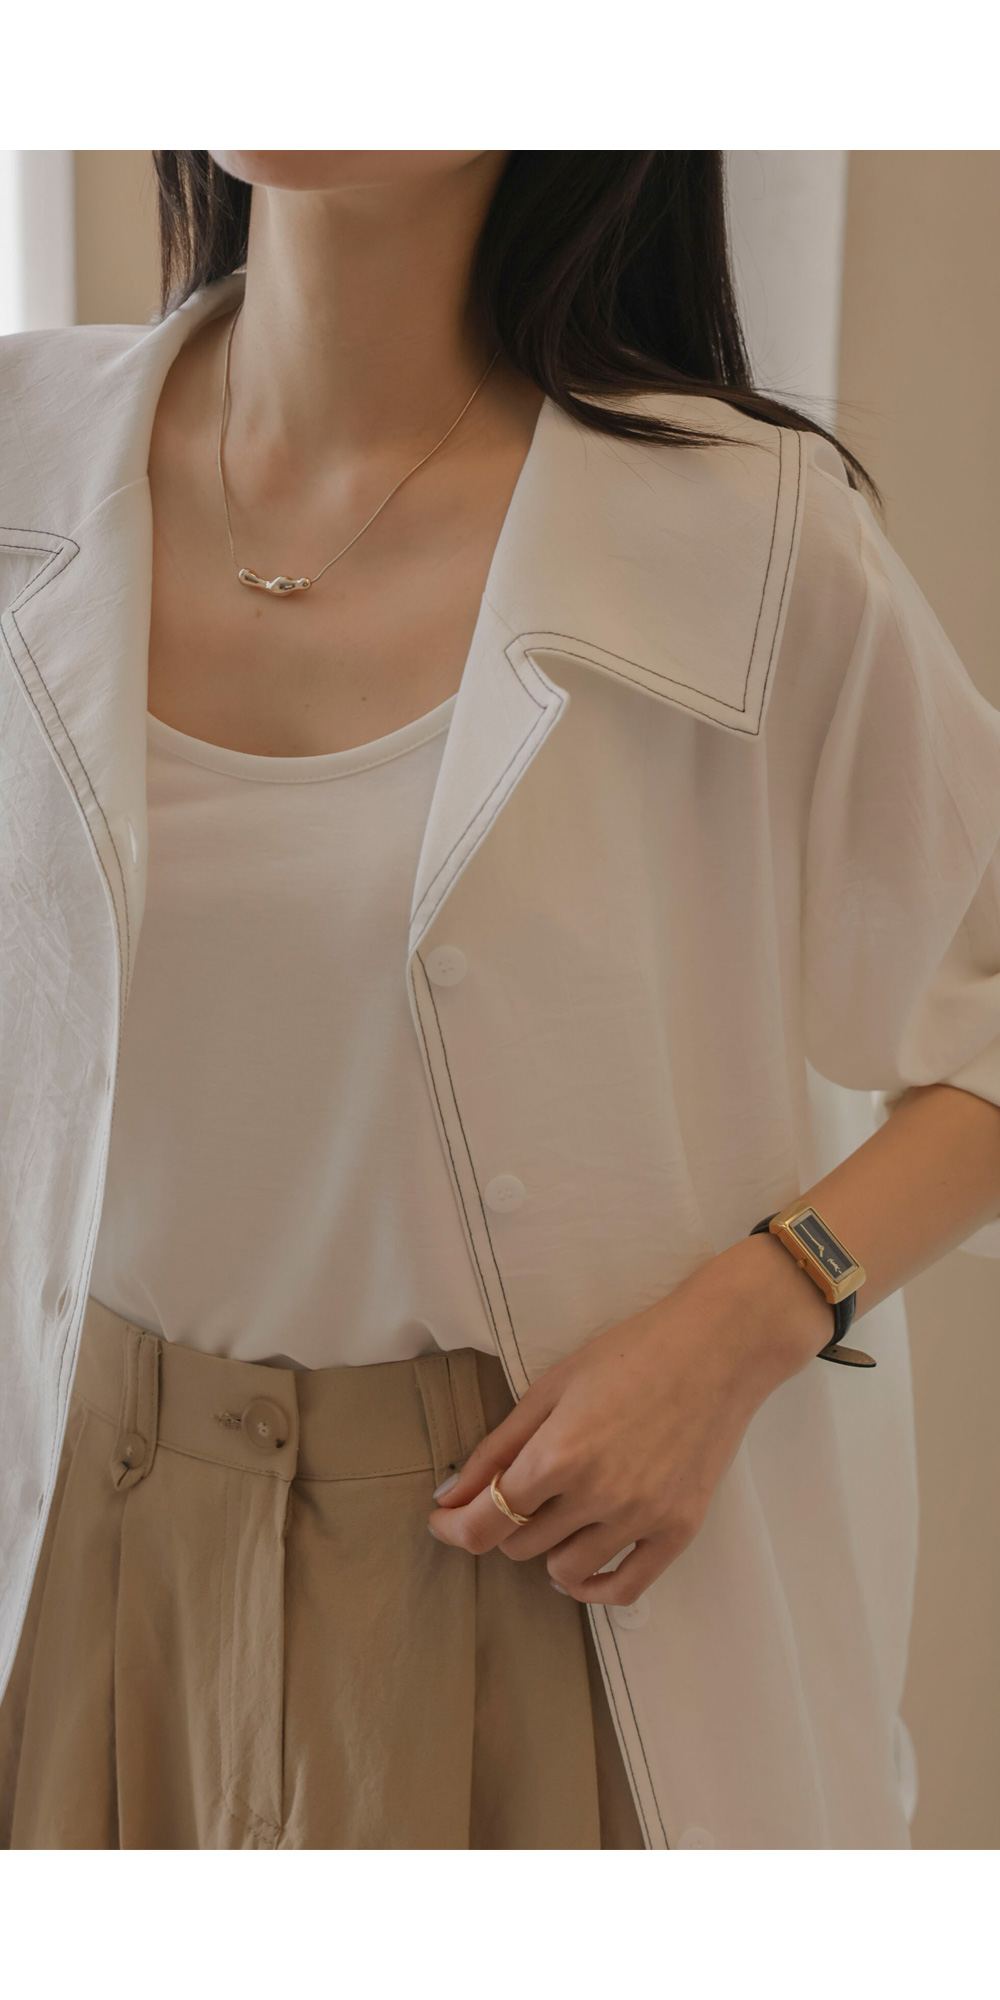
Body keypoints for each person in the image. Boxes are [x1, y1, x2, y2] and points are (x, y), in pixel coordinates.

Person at [2, 149, 1000, 1850]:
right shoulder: (26, 456)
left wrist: (759, 1311)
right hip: (71, 1567)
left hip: (534, 1589)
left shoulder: (748, 537)